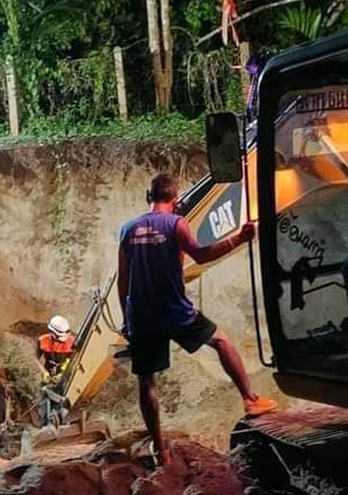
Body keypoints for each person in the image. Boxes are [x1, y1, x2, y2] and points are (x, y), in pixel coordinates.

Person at [118, 173, 278, 467]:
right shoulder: (177, 223)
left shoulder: (127, 230)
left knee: (147, 382)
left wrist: (126, 321)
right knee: (221, 340)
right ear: (175, 200)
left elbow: (123, 280)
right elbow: (202, 256)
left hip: (141, 315)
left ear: (148, 197)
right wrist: (238, 238)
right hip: (174, 310)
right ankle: (251, 399)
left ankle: (160, 450)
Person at [35, 315, 75, 427]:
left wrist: (62, 373)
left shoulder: (71, 342)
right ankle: (44, 423)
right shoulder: (43, 340)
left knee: (63, 394)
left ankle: (63, 420)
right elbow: (36, 358)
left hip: (63, 372)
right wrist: (44, 372)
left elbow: (70, 360)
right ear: (52, 332)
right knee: (44, 393)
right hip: (49, 371)